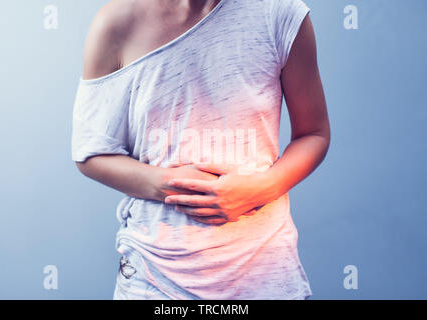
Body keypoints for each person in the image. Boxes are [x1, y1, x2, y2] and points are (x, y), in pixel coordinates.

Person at [72, 0, 330, 300]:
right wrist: (168, 184)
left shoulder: (280, 13)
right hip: (155, 279)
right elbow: (90, 153)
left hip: (263, 275)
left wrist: (262, 189)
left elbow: (314, 133)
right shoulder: (115, 22)